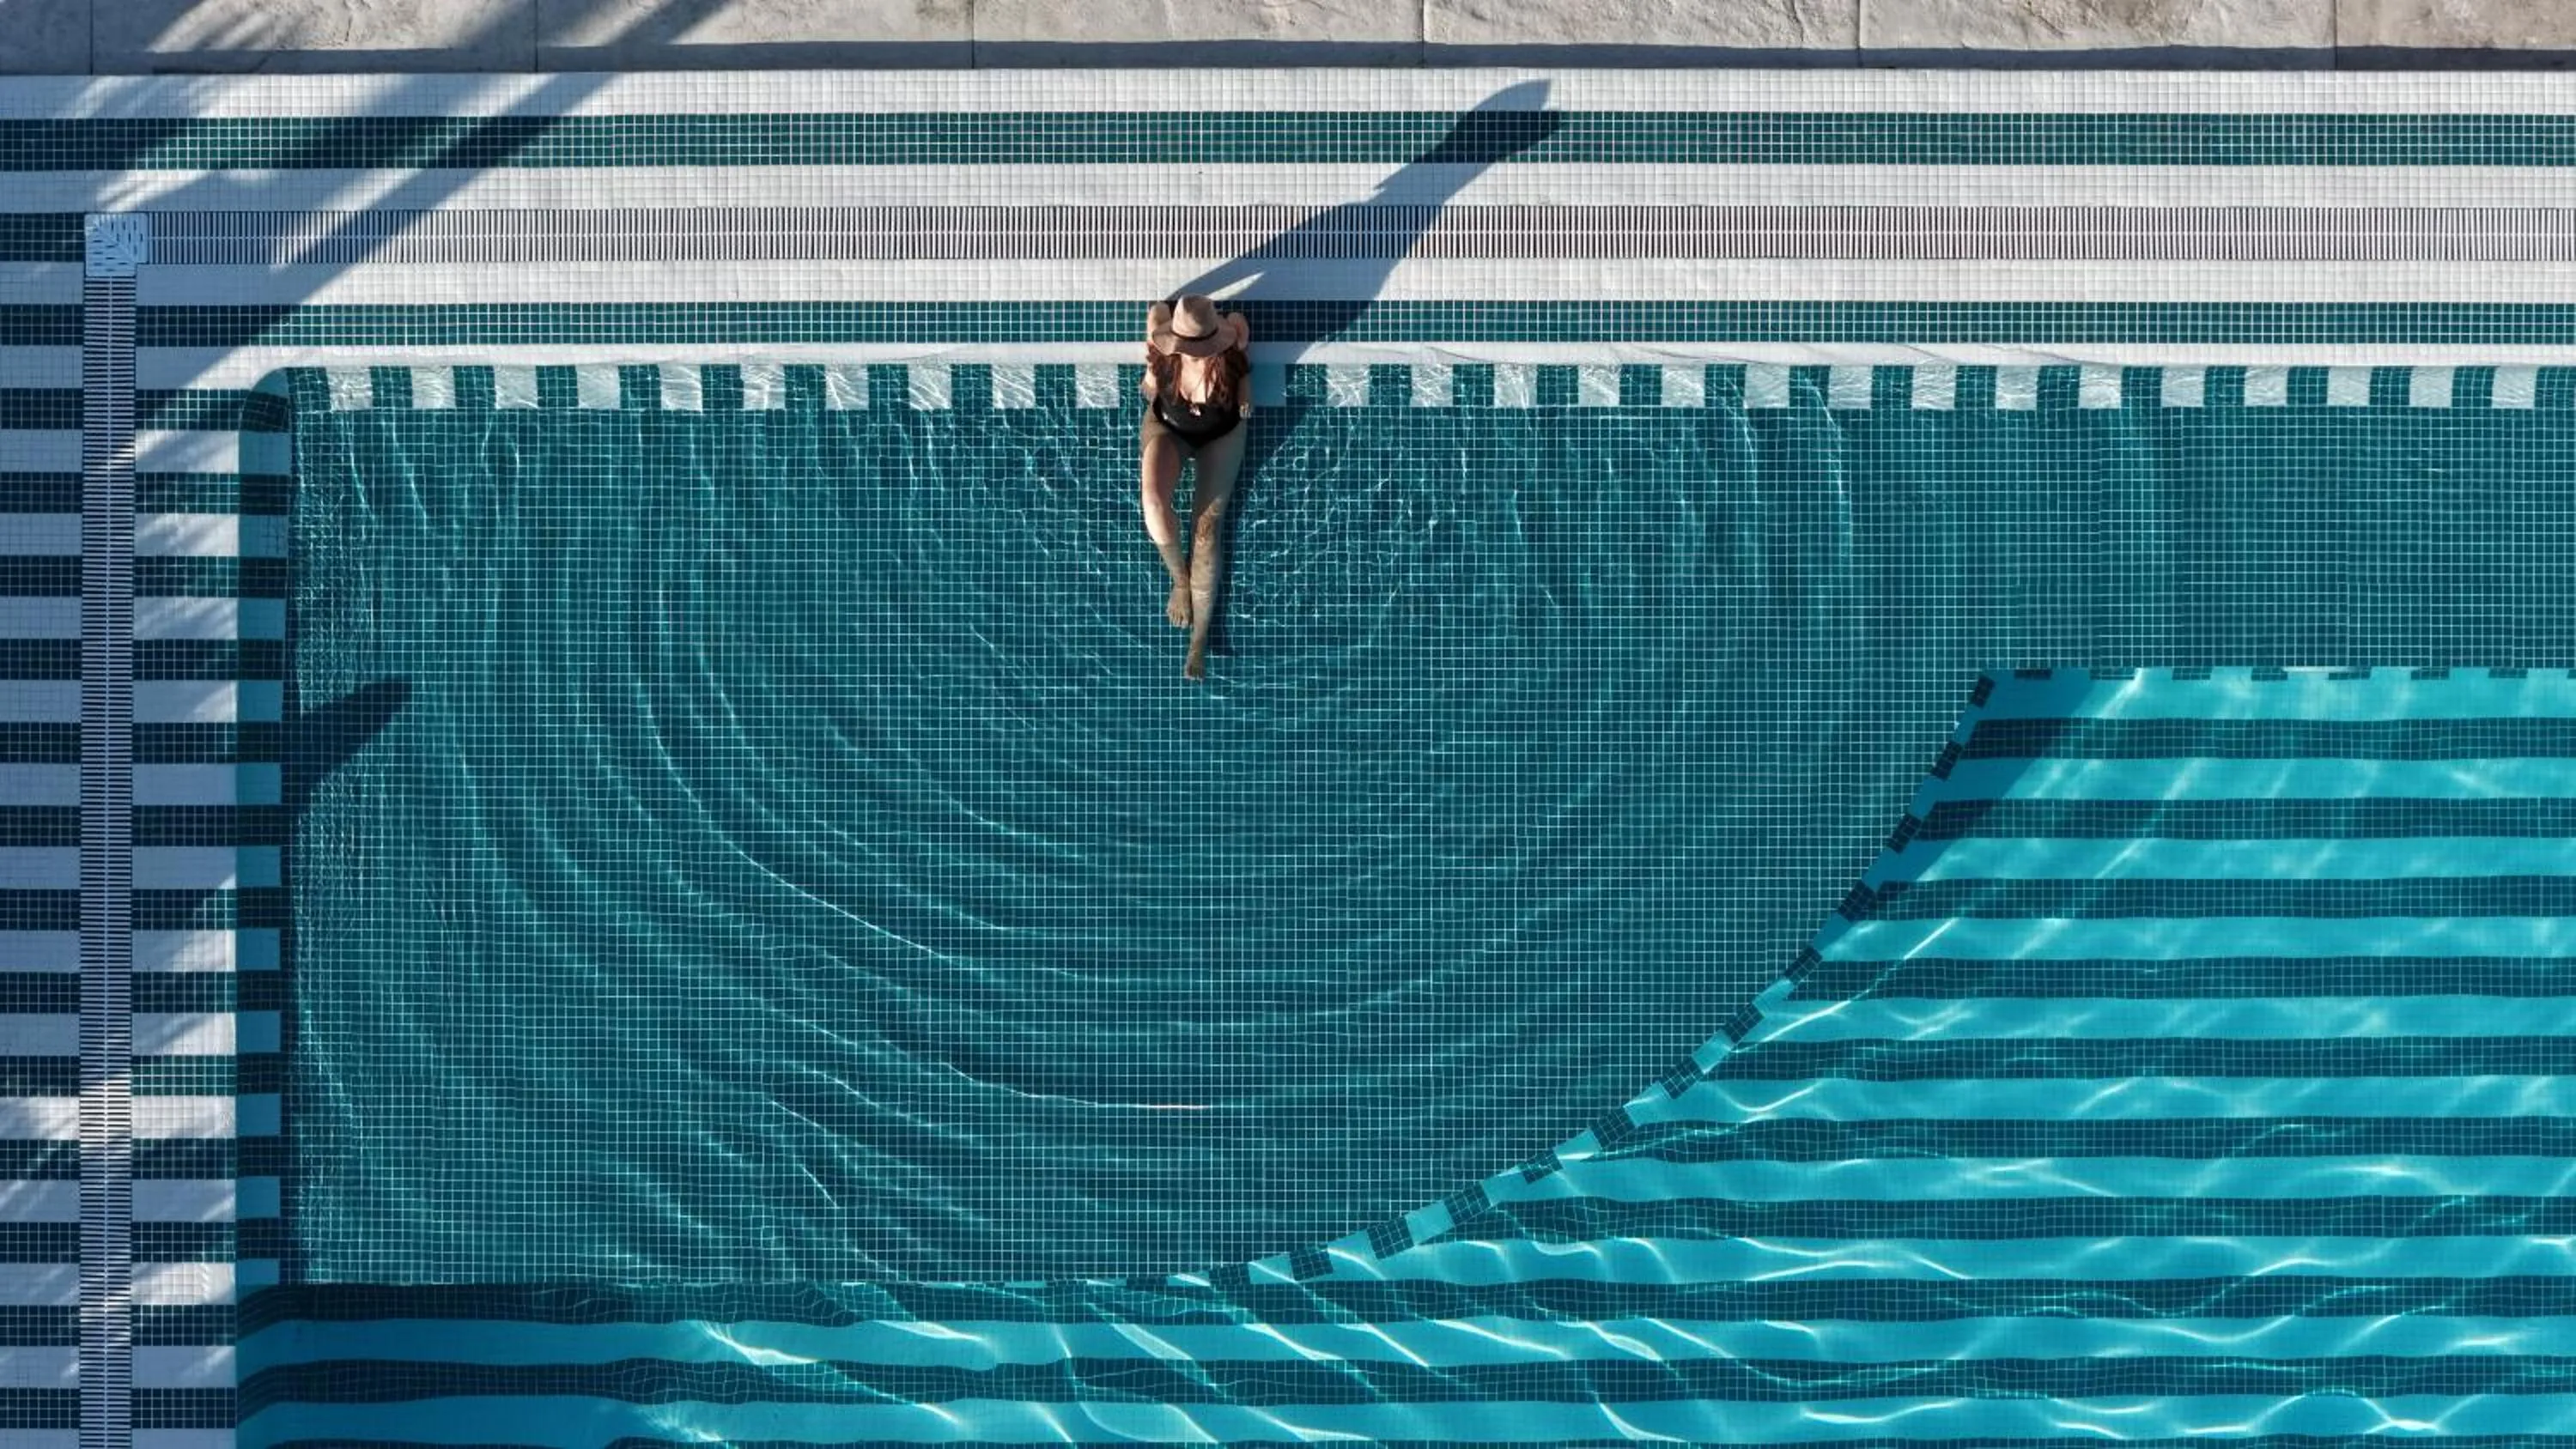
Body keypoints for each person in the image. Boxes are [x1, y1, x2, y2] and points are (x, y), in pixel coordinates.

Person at [1139, 294, 1251, 680]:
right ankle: (1180, 580)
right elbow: (1156, 310)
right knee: (1153, 502)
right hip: (1169, 431)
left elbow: (1238, 321)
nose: (1200, 355)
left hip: (1221, 435)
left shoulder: (1231, 350)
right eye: (1193, 347)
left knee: (1205, 531)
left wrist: (1245, 394)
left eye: (1204, 347)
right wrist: (1151, 379)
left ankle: (1198, 640)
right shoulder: (1161, 353)